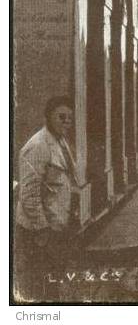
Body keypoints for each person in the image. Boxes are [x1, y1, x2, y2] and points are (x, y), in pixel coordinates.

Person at [15, 96, 82, 302]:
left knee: (54, 283)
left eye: (70, 118)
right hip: (39, 233)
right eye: (61, 117)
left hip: (57, 228)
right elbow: (29, 194)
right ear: (48, 117)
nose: (66, 122)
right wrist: (42, 231)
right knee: (40, 288)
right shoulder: (37, 146)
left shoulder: (60, 141)